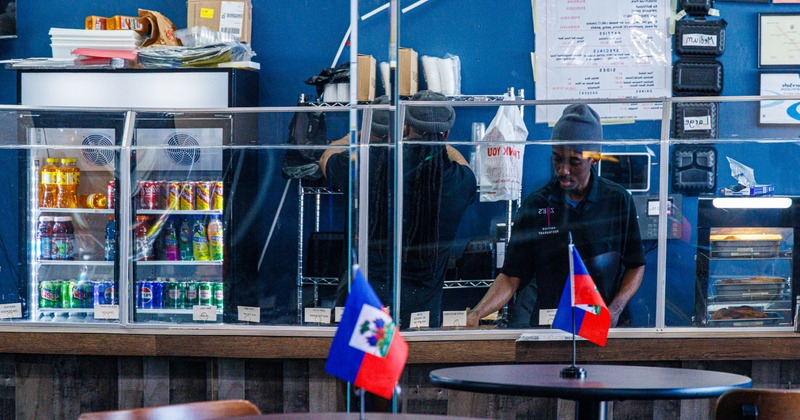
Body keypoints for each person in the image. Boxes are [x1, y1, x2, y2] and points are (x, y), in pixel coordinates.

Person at [466, 104, 645, 328]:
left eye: (574, 162)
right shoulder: (536, 205)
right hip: (549, 326)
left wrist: (615, 309)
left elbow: (636, 264)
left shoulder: (618, 201)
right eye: (557, 159)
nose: (563, 170)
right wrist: (477, 313)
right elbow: (511, 276)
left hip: (603, 326)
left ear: (595, 158)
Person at [320, 91, 477, 329]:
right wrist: (438, 141)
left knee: (371, 356)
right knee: (418, 357)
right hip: (422, 318)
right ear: (446, 134)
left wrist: (361, 135)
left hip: (368, 313)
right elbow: (465, 166)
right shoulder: (459, 181)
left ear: (405, 126)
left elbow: (326, 157)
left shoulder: (369, 164)